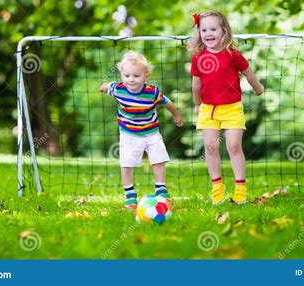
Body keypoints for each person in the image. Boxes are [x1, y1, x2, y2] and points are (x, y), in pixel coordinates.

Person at [189, 11, 264, 205]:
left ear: (224, 31)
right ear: (199, 33)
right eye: (204, 30)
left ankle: (240, 187)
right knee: (210, 147)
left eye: (213, 29)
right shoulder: (198, 57)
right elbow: (196, 85)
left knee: (233, 146)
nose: (208, 33)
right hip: (209, 109)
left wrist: (258, 89)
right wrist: (197, 105)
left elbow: (248, 73)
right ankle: (217, 186)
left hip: (232, 108)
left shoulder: (233, 55)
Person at [99, 51, 183, 210]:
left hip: (151, 133)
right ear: (122, 76)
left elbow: (168, 103)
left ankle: (161, 191)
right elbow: (105, 87)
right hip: (129, 135)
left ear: (146, 76)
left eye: (136, 76)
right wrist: (103, 87)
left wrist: (177, 116)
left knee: (159, 160)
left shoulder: (152, 92)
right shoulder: (118, 89)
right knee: (127, 164)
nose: (131, 79)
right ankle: (130, 196)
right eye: (127, 75)